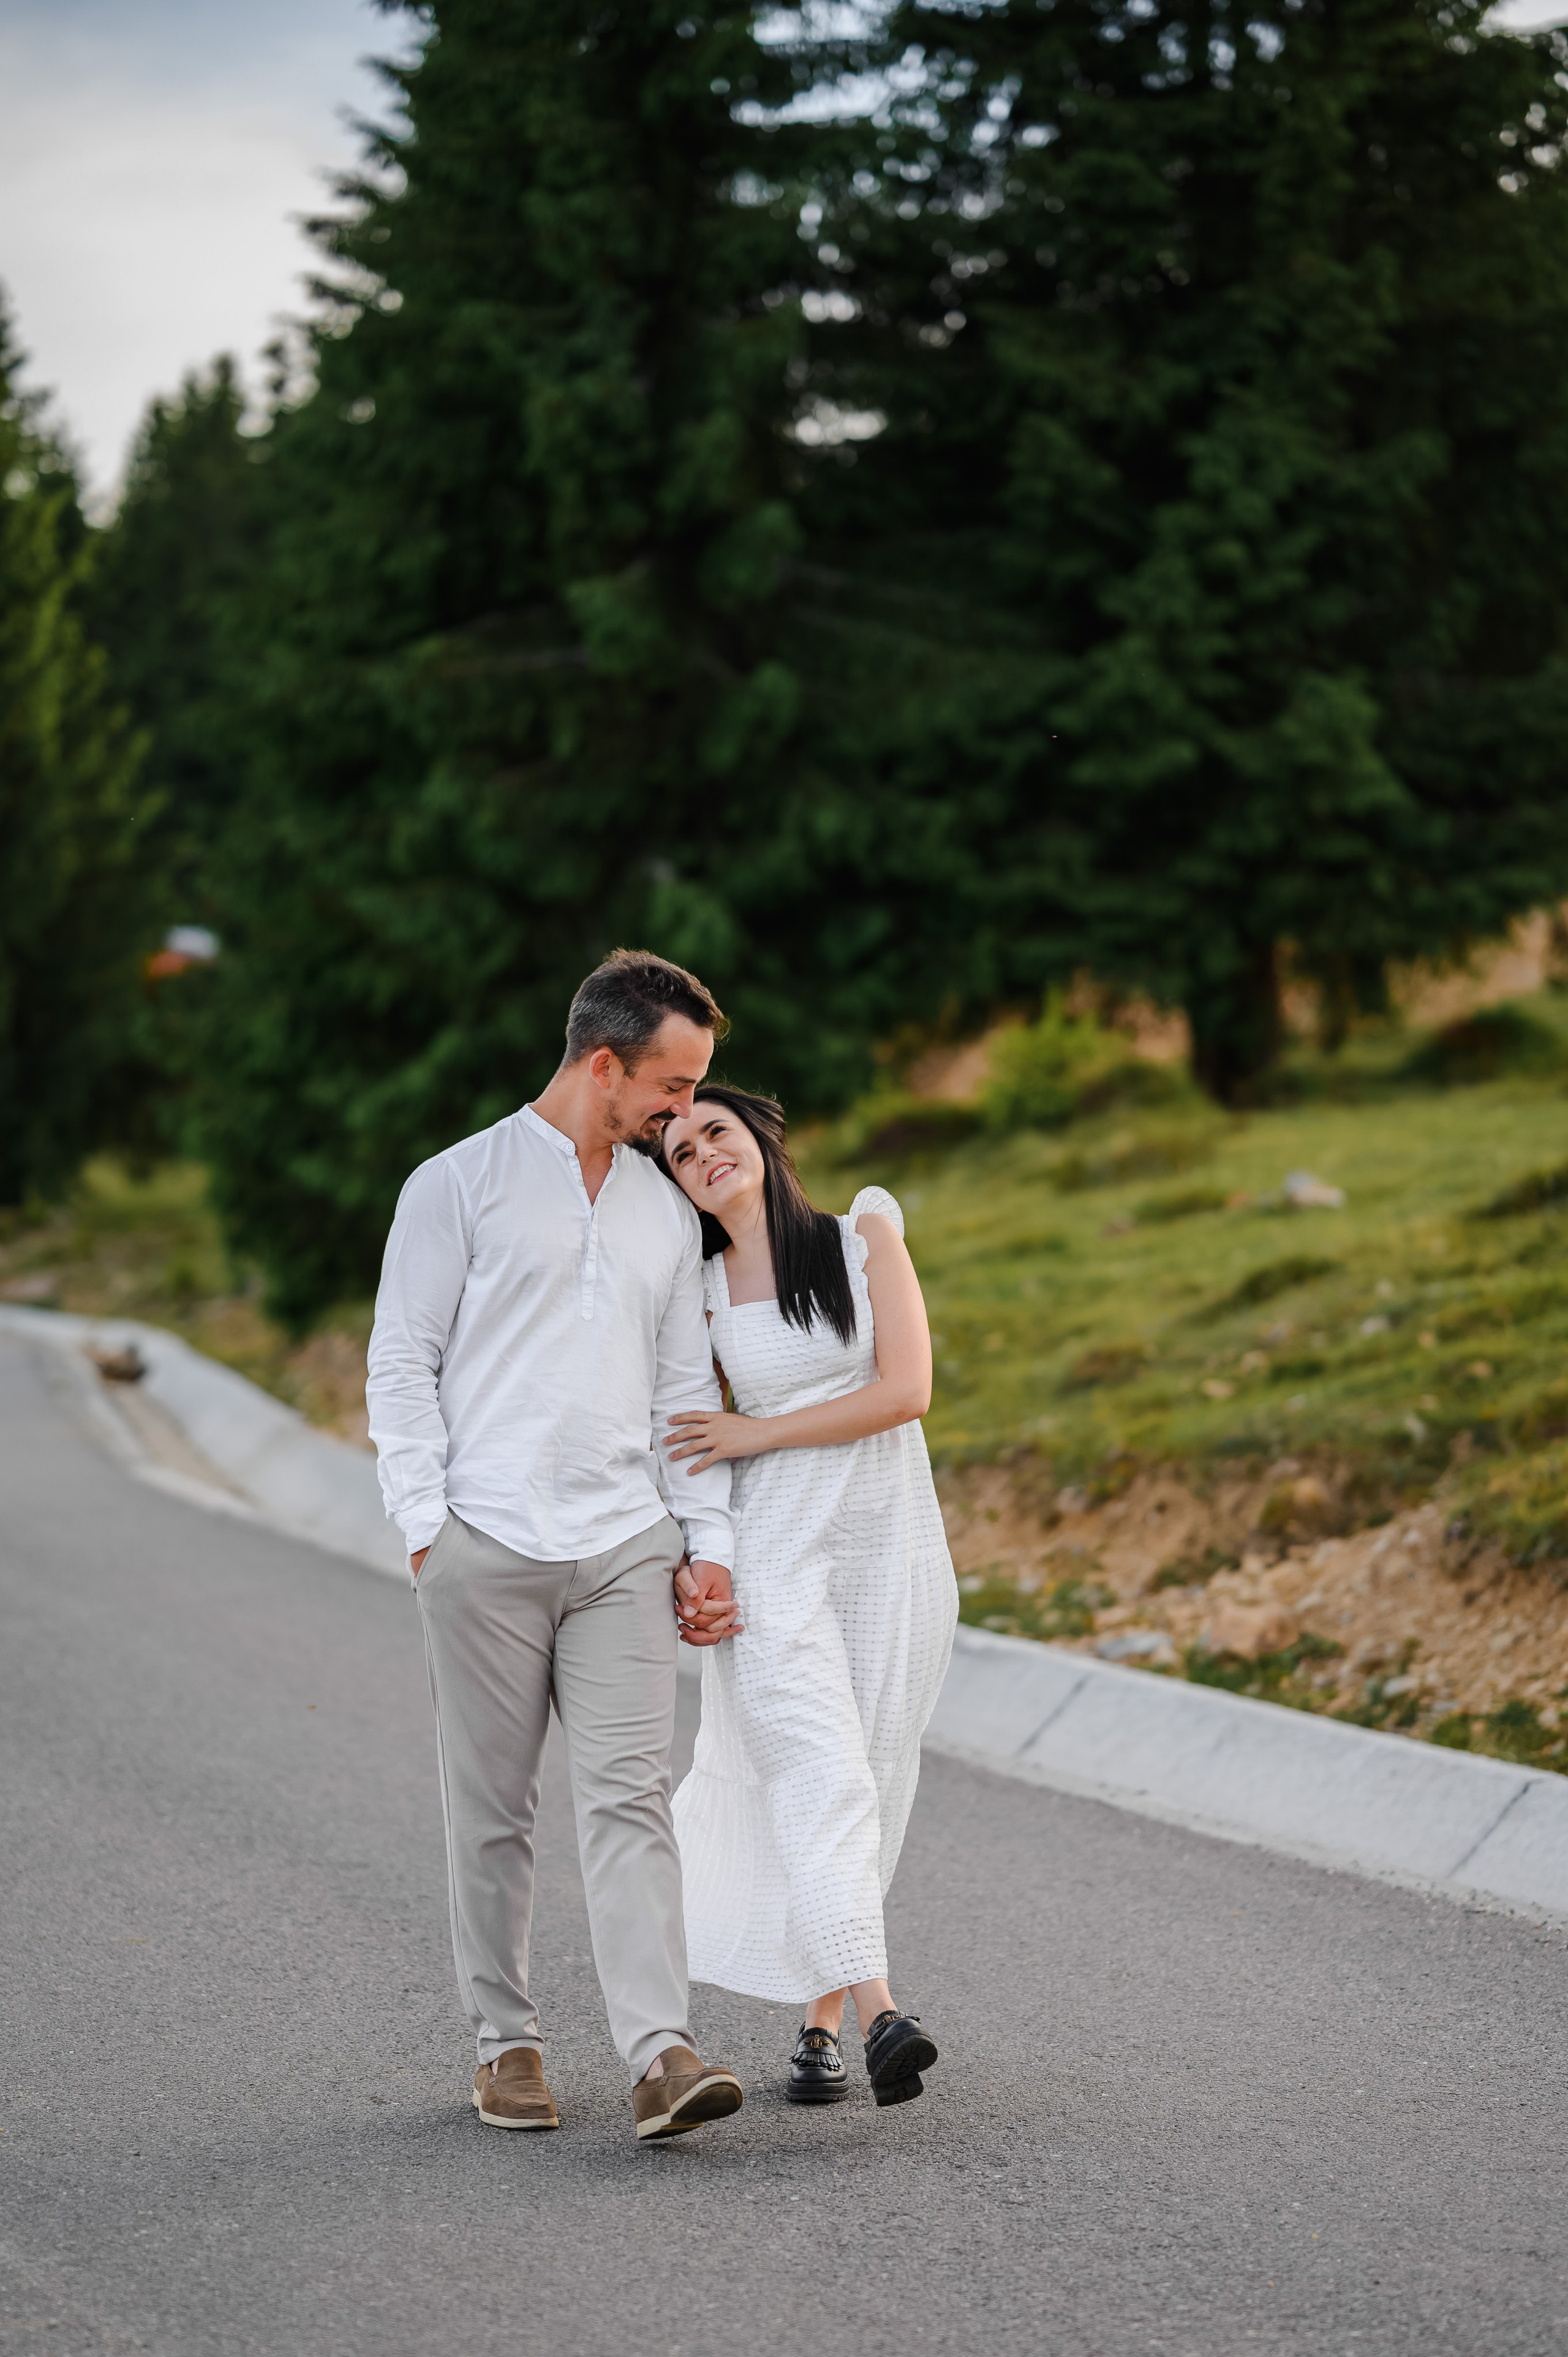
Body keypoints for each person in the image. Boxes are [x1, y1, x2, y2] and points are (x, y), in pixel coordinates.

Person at [366, 950, 746, 2143]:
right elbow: (400, 1364)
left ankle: (658, 2053)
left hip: (622, 1546)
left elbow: (685, 1390)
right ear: (602, 1064)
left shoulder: (658, 1208)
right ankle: (507, 2045)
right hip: (484, 1544)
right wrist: (428, 1532)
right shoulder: (455, 1183)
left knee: (632, 1798)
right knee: (493, 1810)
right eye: (672, 1084)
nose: (682, 1110)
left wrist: (706, 1537)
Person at [657, 1084, 958, 2110]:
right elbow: (693, 1440)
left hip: (890, 1545)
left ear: (759, 1138)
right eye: (681, 1151)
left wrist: (760, 1429)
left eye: (715, 1132)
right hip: (777, 1551)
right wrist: (705, 1559)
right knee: (821, 1772)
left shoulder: (863, 1235)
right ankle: (883, 2016)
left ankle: (819, 2030)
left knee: (864, 1774)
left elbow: (906, 1391)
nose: (701, 1154)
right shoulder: (693, 1287)